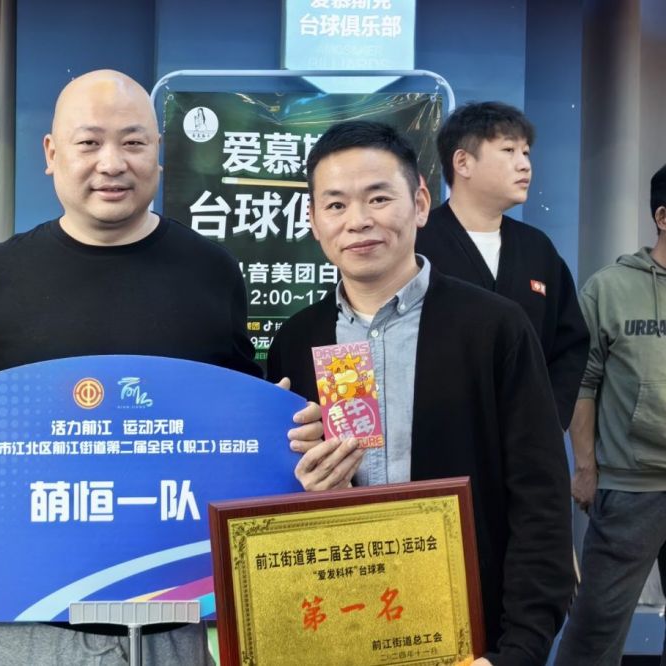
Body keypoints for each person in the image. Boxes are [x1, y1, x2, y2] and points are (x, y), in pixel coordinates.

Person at [0, 69, 322, 665]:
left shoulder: (212, 271)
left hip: (175, 623)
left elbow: (236, 410)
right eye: (89, 142)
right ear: (51, 154)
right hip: (25, 623)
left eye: (132, 142)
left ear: (158, 152)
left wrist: (284, 432)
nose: (112, 163)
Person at [266, 120, 574, 665]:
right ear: (313, 220)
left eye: (378, 198)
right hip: (336, 627)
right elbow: (274, 510)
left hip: (469, 636)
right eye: (335, 205)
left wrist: (518, 650)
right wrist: (297, 481)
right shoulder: (297, 341)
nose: (358, 221)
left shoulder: (494, 328)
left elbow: (540, 499)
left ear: (421, 203)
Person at [415, 101, 588, 429]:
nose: (524, 165)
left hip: (526, 438)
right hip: (437, 435)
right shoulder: (416, 245)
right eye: (509, 150)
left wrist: (547, 419)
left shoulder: (537, 248)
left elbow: (570, 343)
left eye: (526, 153)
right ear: (463, 162)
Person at [554, 163, 666, 665]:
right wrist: (585, 468)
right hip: (630, 486)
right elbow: (583, 382)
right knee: (595, 630)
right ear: (662, 217)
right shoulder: (609, 288)